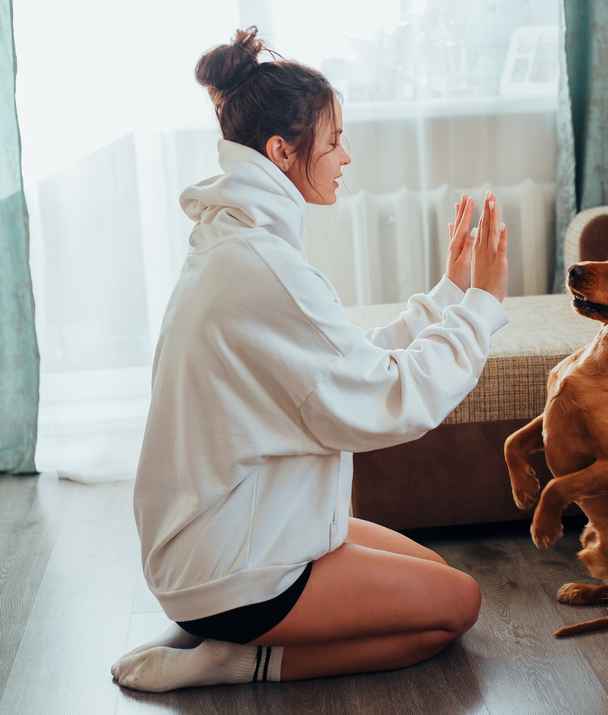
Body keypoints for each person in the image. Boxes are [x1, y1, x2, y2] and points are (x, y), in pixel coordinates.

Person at [110, 28, 510, 692]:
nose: (345, 156)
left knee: (434, 577)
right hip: (228, 568)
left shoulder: (237, 242)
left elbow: (337, 364)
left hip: (223, 534)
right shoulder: (263, 268)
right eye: (332, 142)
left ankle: (213, 627)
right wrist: (482, 306)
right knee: (456, 605)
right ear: (279, 152)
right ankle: (235, 654)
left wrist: (448, 295)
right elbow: (392, 399)